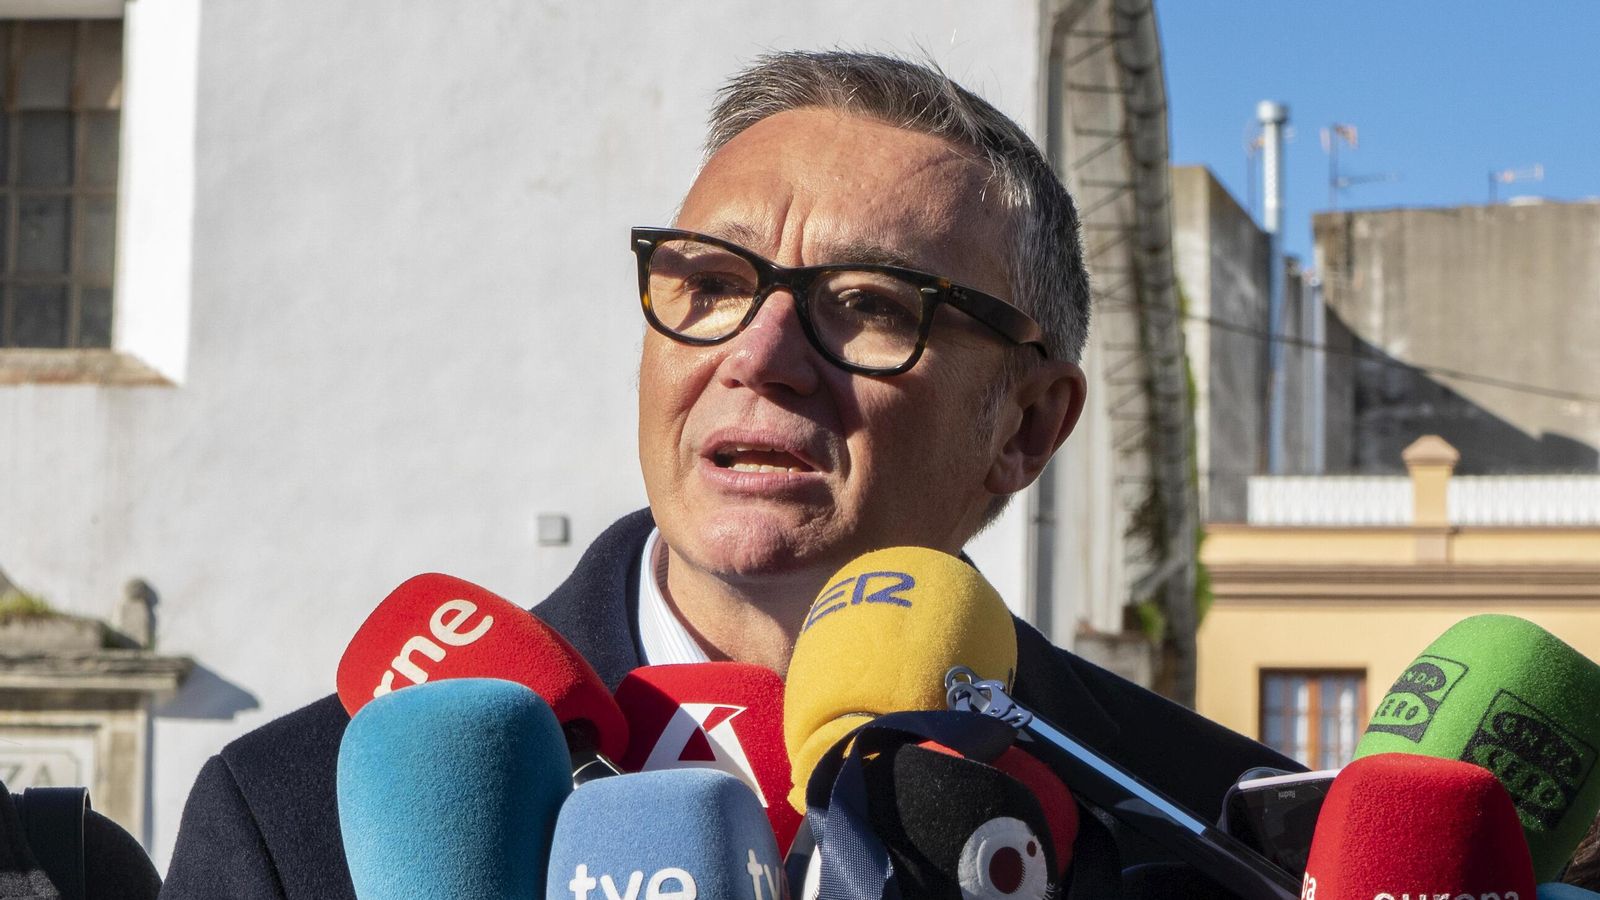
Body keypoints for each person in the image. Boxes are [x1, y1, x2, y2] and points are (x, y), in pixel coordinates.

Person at [160, 51, 1295, 899]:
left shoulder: (1207, 832)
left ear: (1028, 425)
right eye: (707, 283)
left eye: (868, 308)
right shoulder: (295, 812)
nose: (756, 358)